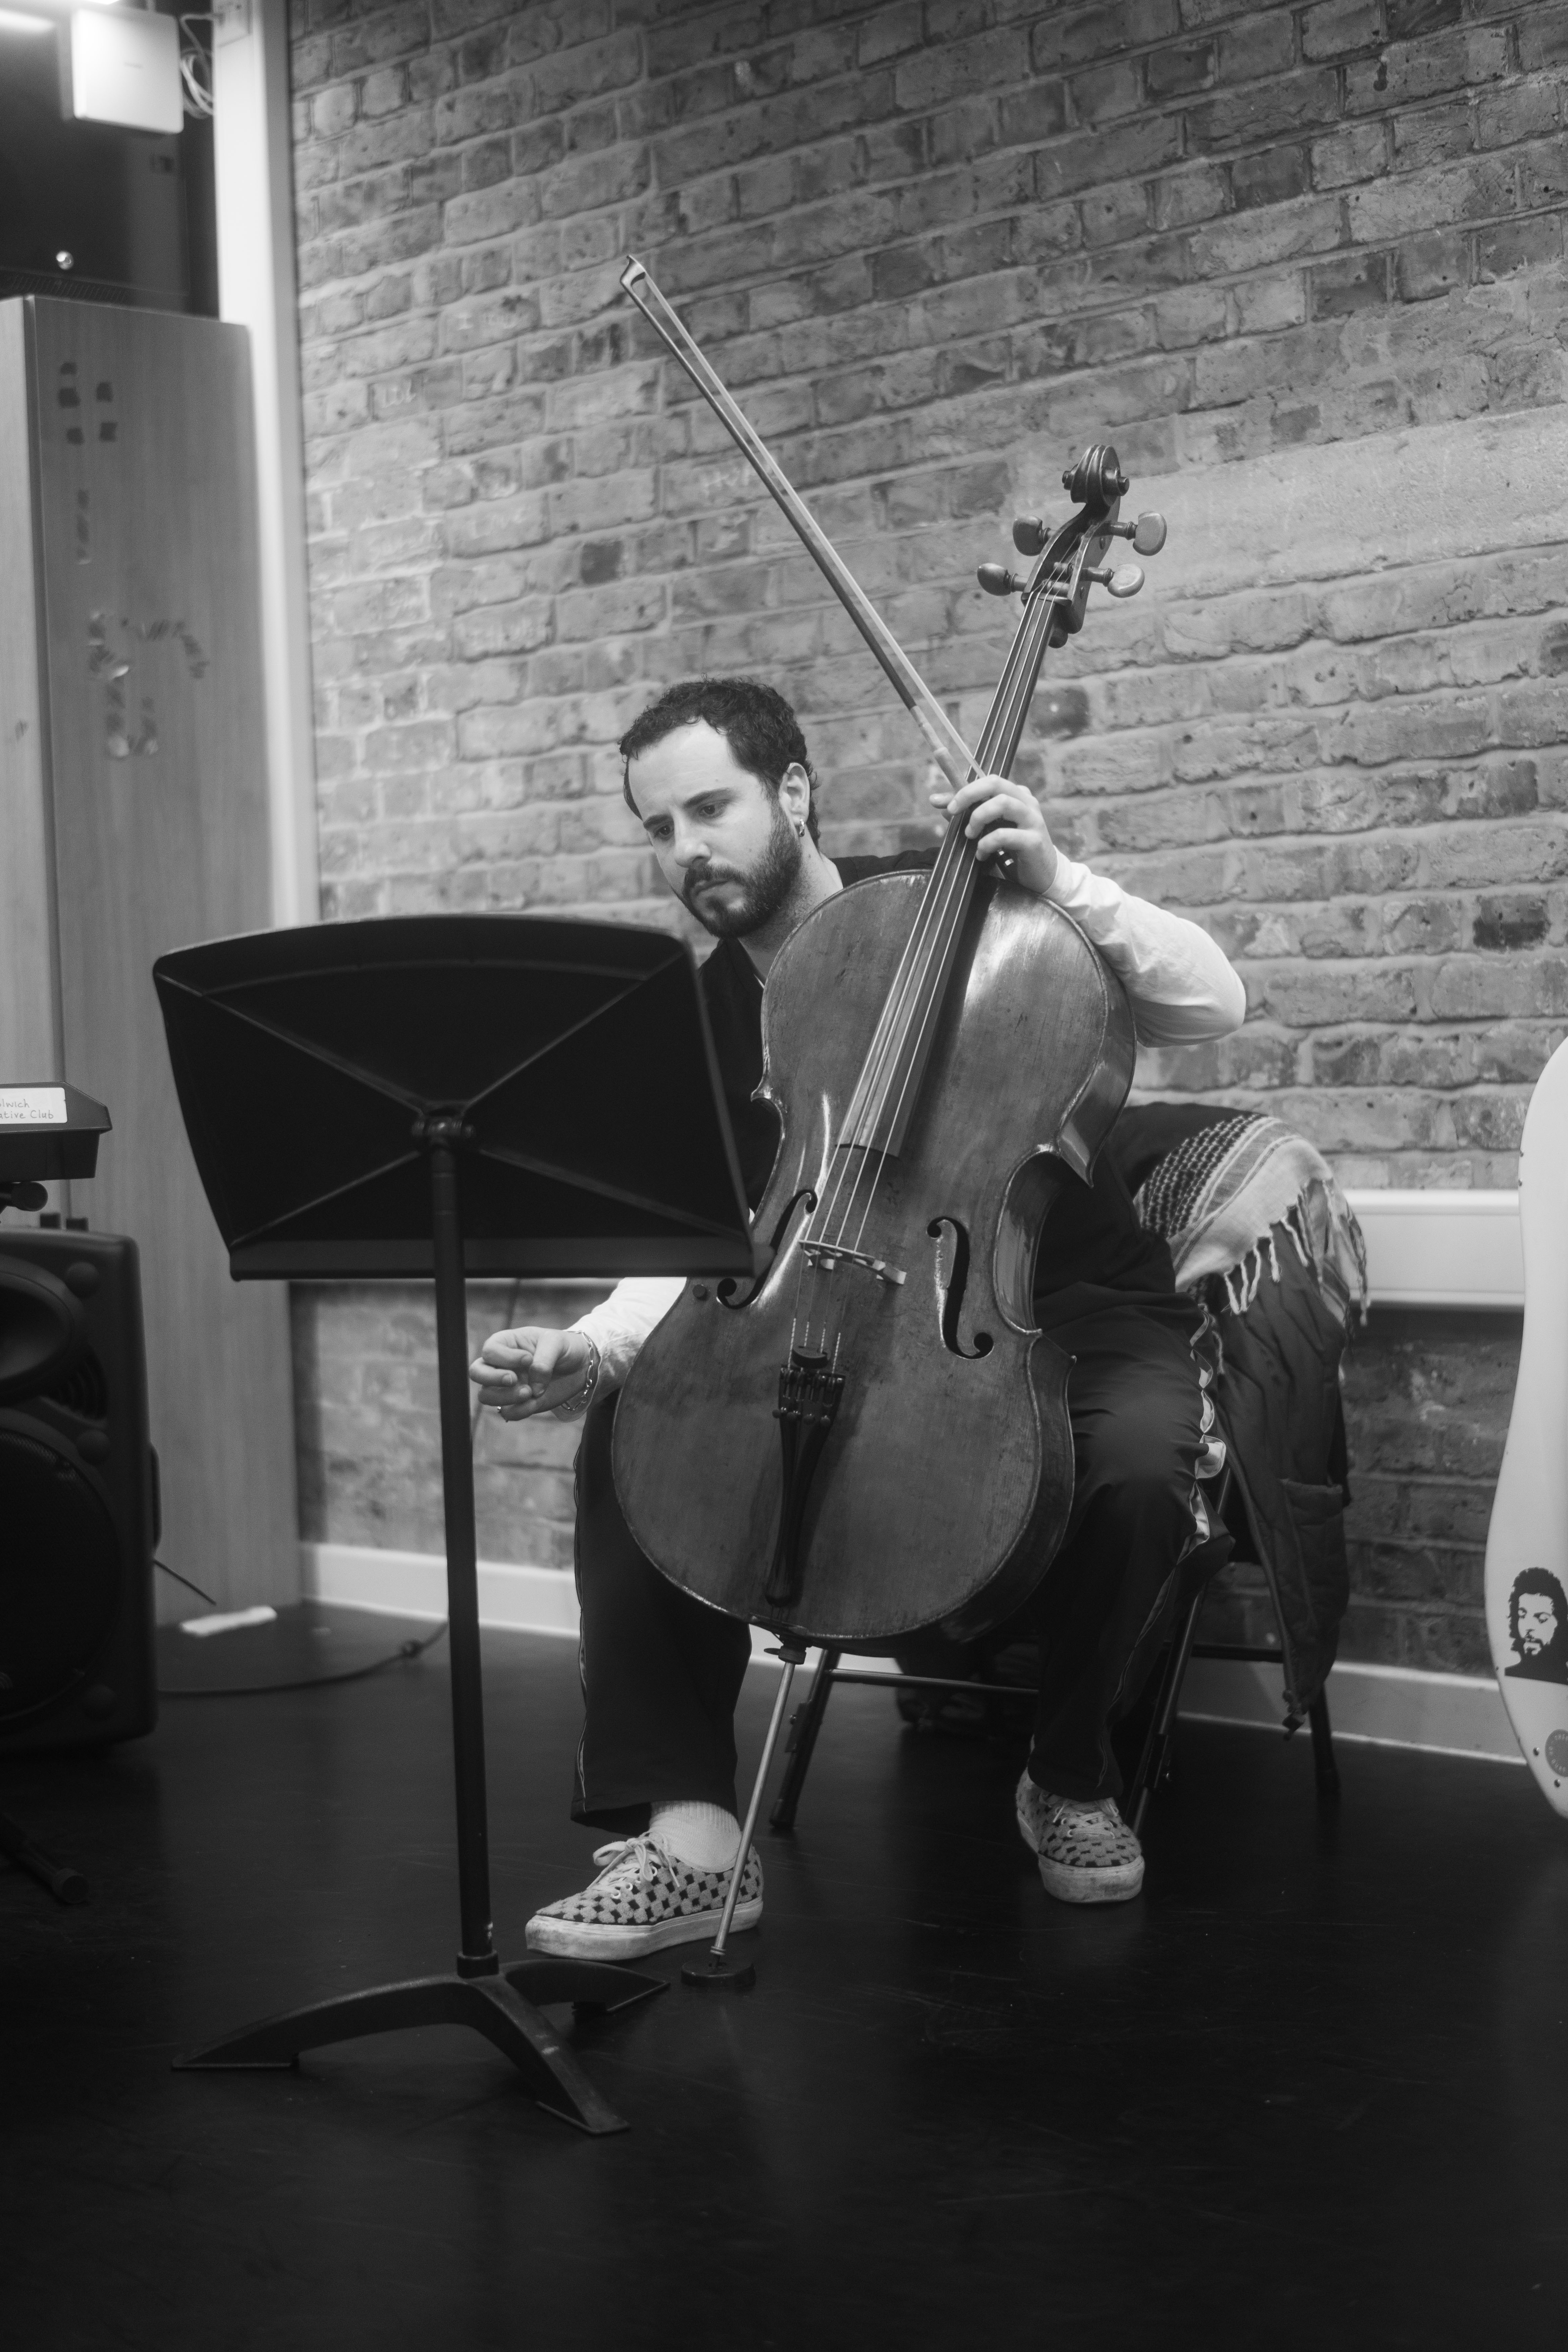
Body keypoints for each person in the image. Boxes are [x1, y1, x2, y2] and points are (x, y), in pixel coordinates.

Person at [470, 676, 1247, 1956]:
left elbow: (1209, 1004)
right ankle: (691, 1841)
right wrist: (594, 1347)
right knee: (635, 1430)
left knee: (1138, 1458)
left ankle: (1068, 1772)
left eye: (709, 807)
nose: (686, 850)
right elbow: (696, 1235)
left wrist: (1058, 876)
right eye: (659, 828)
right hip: (827, 1300)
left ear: (792, 790)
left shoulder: (960, 899)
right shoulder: (695, 1017)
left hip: (1058, 1298)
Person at [1504, 1567, 1568, 1685]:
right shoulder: (1510, 1676)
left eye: (1542, 1619)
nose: (1529, 1627)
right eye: (1522, 1616)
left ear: (1562, 1624)